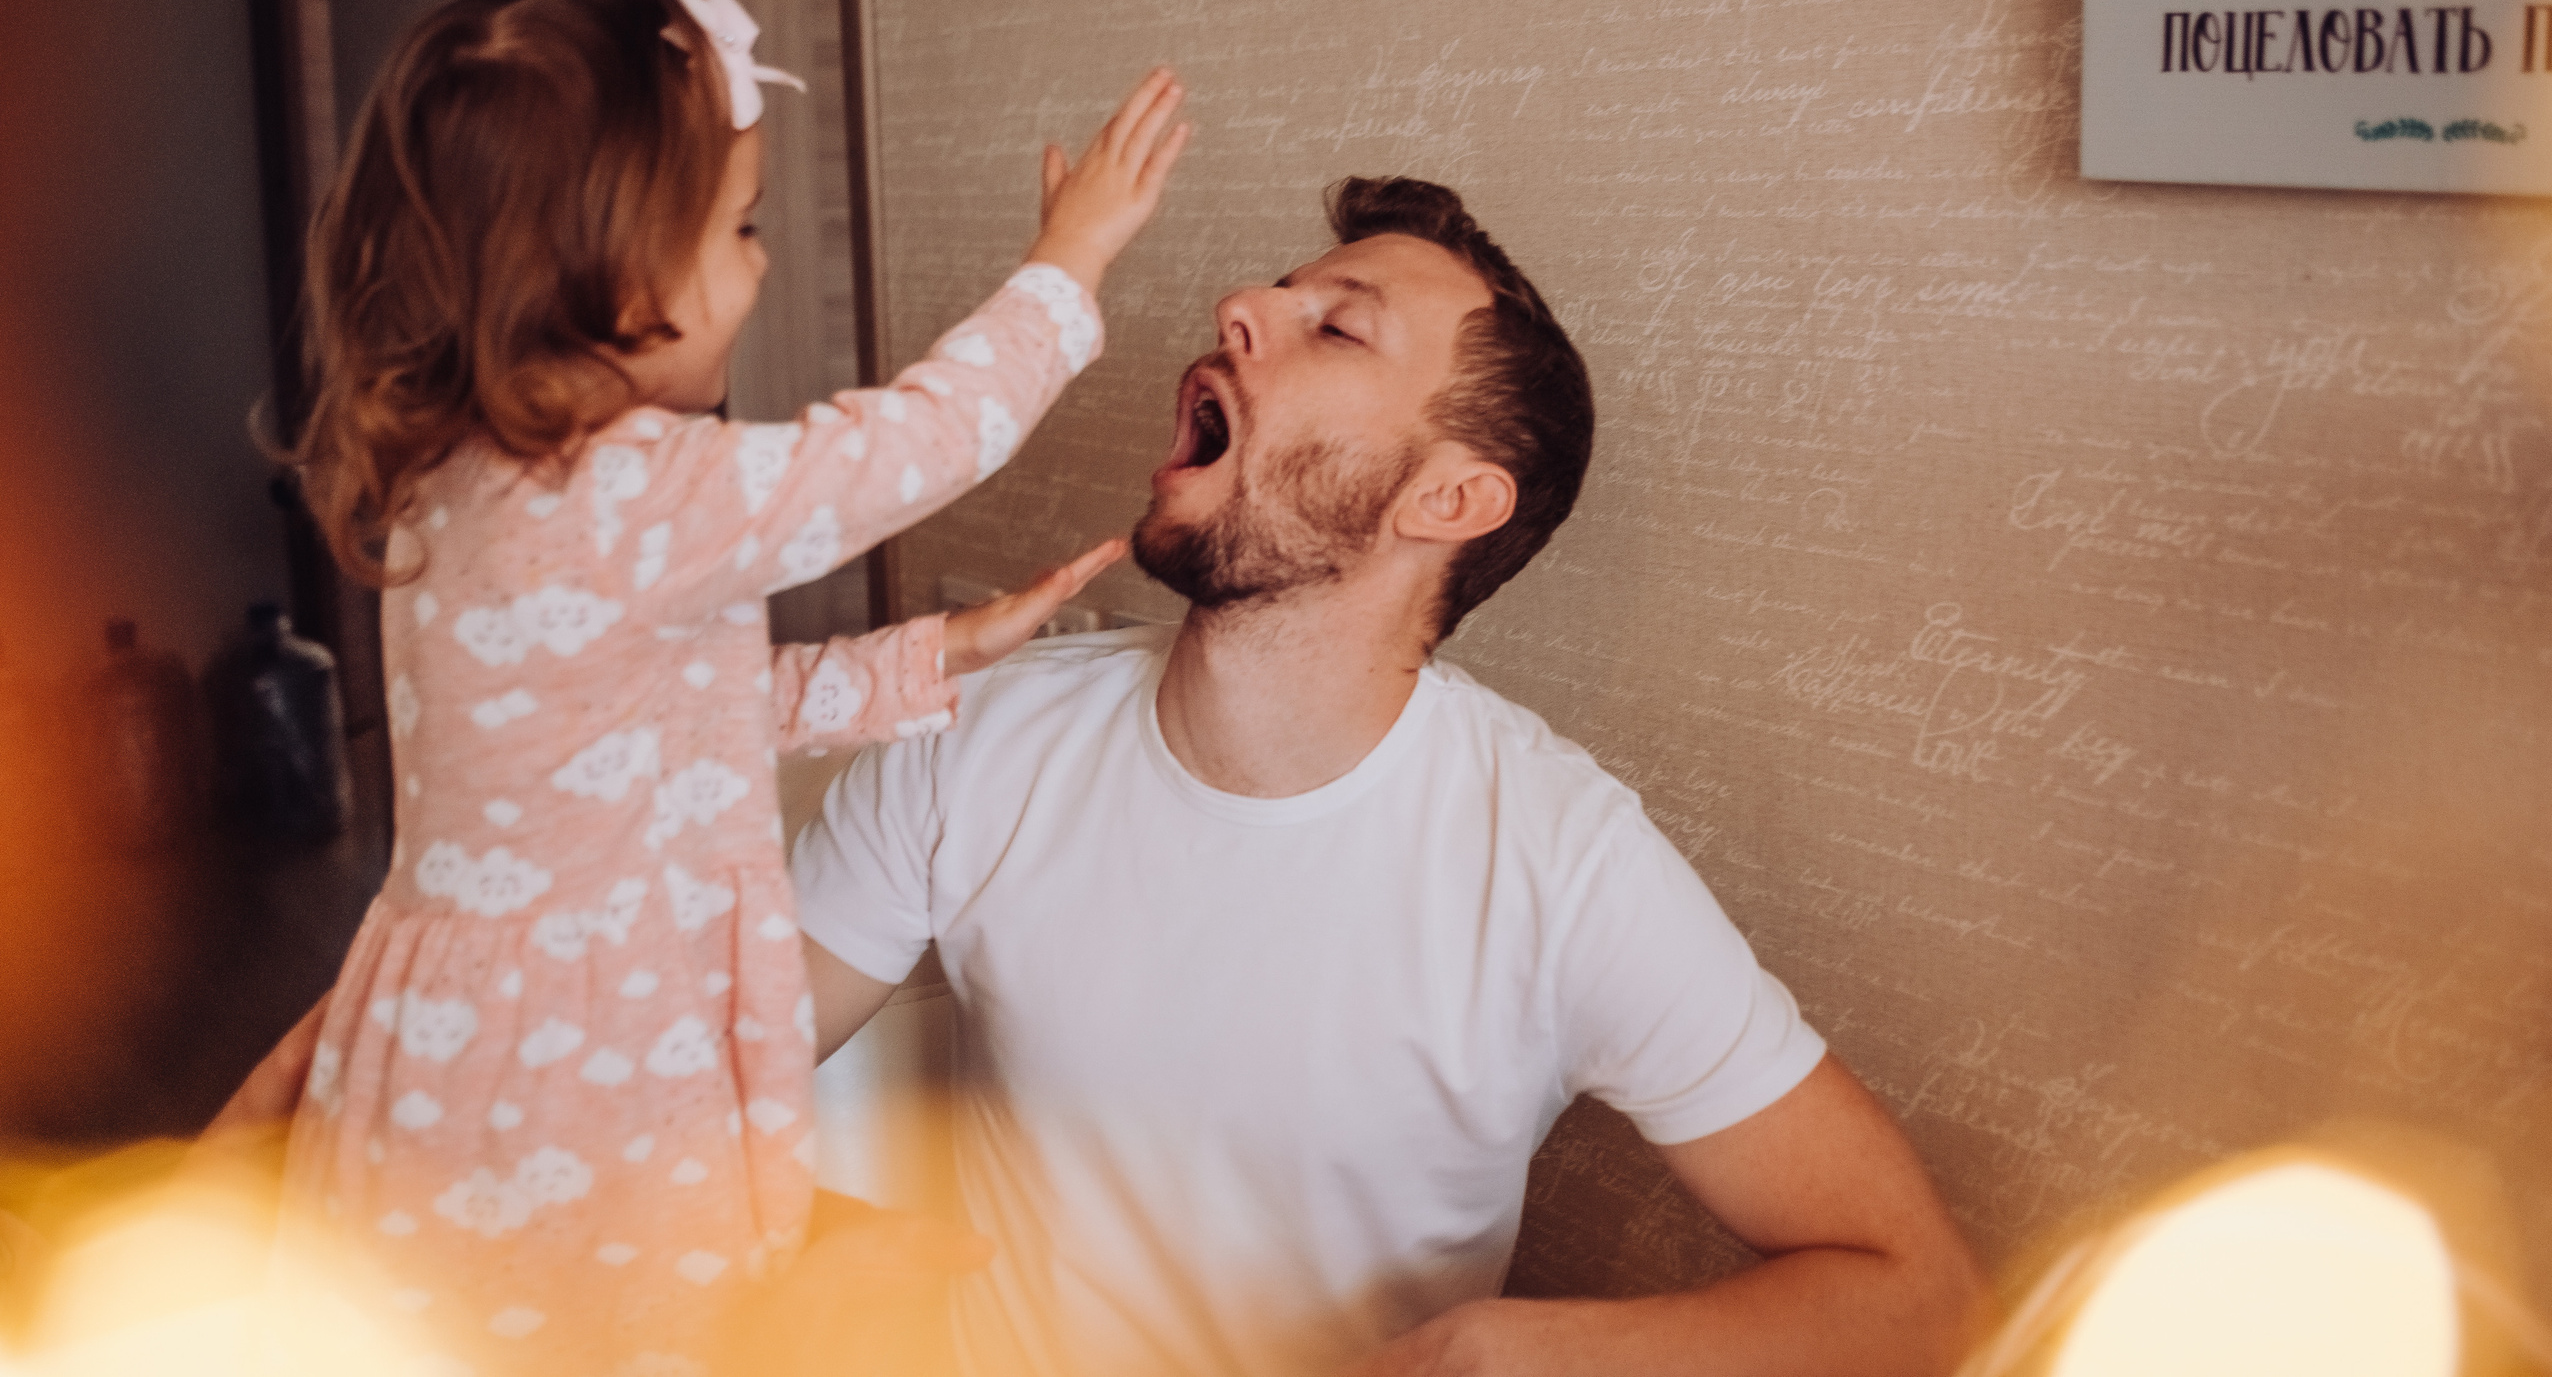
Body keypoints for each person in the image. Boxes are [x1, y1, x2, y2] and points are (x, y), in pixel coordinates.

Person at [793, 177, 1988, 1377]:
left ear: (1448, 498)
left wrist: (1508, 1349)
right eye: (1282, 291)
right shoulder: (976, 734)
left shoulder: (1560, 864)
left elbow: (1919, 1297)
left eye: (1338, 324)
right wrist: (788, 1239)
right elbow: (697, 1063)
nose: (1238, 307)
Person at [276, 0, 1188, 1373]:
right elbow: (920, 441)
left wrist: (923, 656)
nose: (760, 265)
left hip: (474, 1039)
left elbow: (651, 723)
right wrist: (1067, 267)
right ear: (623, 278)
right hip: (570, 1074)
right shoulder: (630, 492)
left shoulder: (469, 482)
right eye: (741, 228)